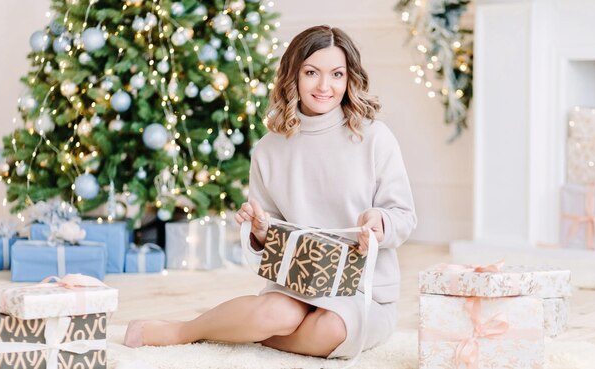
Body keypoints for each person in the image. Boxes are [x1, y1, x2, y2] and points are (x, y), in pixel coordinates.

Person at [124, 25, 417, 359]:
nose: (325, 86)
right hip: (296, 284)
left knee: (332, 329)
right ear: (293, 76)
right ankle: (181, 331)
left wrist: (380, 221)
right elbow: (271, 232)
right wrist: (261, 230)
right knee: (275, 314)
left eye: (337, 74)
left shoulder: (374, 137)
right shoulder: (269, 149)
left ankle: (241, 332)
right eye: (311, 73)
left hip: (363, 291)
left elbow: (403, 216)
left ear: (350, 78)